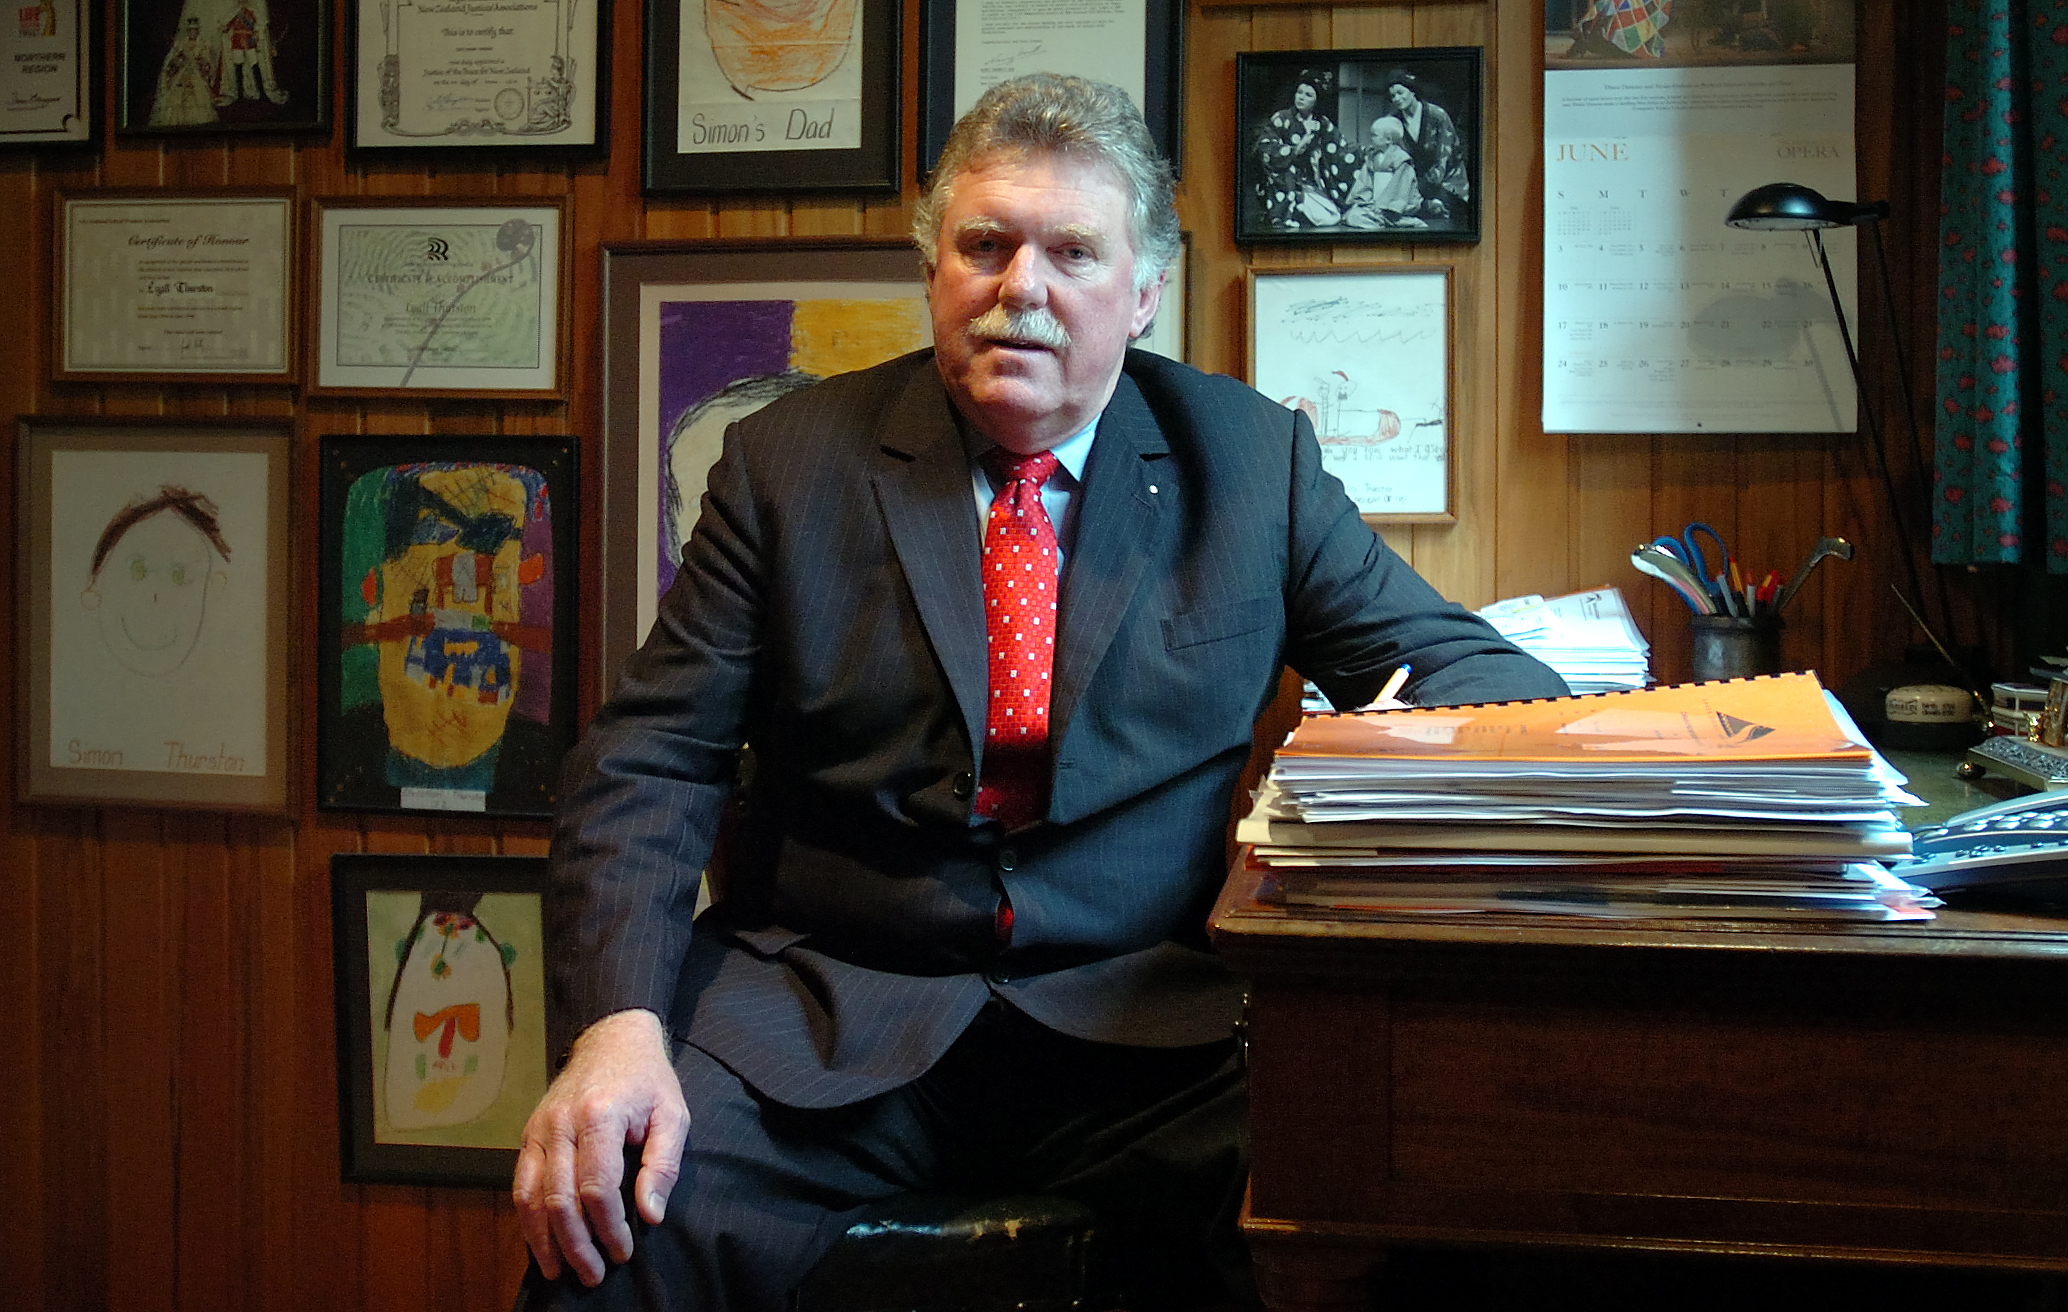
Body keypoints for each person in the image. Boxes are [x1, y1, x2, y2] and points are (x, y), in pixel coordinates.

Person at [511, 72, 1566, 1312]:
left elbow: (1478, 683)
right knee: (611, 1220)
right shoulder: (787, 463)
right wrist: (616, 1027)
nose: (1022, 286)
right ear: (933, 268)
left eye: (1072, 251)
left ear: (1144, 290)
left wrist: (1354, 772)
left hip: (1150, 1036)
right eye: (985, 245)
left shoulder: (1250, 462)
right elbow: (650, 757)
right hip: (824, 1020)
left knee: (1401, 1209)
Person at [1248, 71, 1354, 231]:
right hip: (1284, 181)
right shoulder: (1281, 118)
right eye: (1299, 92)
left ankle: (1300, 205)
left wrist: (1365, 153)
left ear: (1317, 100)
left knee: (1332, 217)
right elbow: (1265, 147)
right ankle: (1286, 208)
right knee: (1322, 217)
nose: (1301, 97)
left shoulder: (1322, 123)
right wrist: (1294, 150)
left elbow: (1340, 149)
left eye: (1308, 95)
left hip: (1312, 182)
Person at [1383, 69, 1470, 227]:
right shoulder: (1394, 120)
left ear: (1412, 91)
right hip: (1413, 184)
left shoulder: (1438, 115)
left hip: (1446, 182)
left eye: (1400, 93)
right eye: (1393, 96)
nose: (1397, 99)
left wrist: (1416, 190)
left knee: (1435, 209)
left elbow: (1443, 161)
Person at [1343, 115, 1427, 231]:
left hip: (1394, 204)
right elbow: (1365, 182)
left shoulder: (1402, 160)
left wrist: (1385, 205)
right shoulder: (1372, 157)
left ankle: (1394, 221)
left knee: (1357, 217)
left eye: (1375, 135)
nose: (1371, 138)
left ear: (1388, 139)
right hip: (1375, 202)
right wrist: (1364, 200)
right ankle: (1383, 221)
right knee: (1351, 215)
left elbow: (1400, 188)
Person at [147, 14, 220, 128]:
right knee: (176, 95)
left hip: (195, 73)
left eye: (194, 30)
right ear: (187, 31)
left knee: (198, 96)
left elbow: (207, 61)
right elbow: (172, 60)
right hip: (182, 72)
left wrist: (201, 63)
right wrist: (179, 61)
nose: (192, 33)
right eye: (190, 31)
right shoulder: (180, 44)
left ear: (198, 31)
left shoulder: (203, 44)